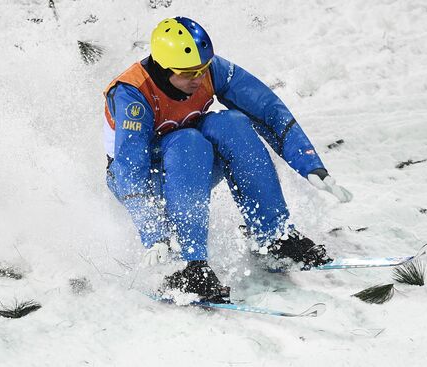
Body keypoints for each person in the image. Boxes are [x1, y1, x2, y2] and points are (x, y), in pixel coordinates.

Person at [103, 17, 353, 303]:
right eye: (188, 73)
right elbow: (129, 170)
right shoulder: (132, 94)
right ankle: (190, 265)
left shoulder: (209, 71)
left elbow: (267, 109)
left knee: (233, 124)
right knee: (189, 141)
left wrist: (310, 164)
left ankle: (273, 236)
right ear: (163, 68)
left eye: (202, 69)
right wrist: (154, 233)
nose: (198, 79)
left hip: (191, 168)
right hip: (145, 183)